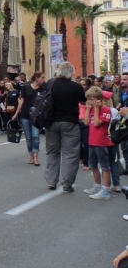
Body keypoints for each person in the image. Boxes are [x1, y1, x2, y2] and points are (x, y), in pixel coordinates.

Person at [44, 62, 87, 192]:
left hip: (51, 122)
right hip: (70, 122)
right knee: (70, 153)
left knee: (52, 152)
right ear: (71, 73)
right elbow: (83, 101)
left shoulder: (50, 83)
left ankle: (51, 181)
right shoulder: (76, 87)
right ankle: (67, 184)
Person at [82, 86, 114, 200]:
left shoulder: (105, 110)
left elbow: (96, 123)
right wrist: (88, 109)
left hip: (101, 142)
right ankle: (97, 186)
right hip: (92, 141)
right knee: (93, 165)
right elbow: (86, 122)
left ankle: (105, 190)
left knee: (105, 166)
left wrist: (95, 110)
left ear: (99, 99)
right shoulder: (91, 109)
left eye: (92, 99)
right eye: (88, 99)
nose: (90, 102)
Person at [14, 72, 46, 166]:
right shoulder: (26, 87)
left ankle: (36, 156)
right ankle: (31, 155)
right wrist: (16, 113)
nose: (44, 80)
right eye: (42, 78)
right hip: (25, 115)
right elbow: (21, 101)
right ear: (36, 78)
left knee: (35, 135)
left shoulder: (43, 89)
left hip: (37, 116)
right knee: (28, 137)